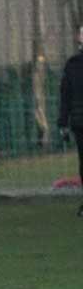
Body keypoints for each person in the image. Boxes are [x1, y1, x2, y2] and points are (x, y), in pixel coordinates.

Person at [57, 22, 83, 217]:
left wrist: (62, 123)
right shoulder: (72, 65)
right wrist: (62, 123)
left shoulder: (72, 65)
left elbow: (65, 95)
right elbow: (65, 95)